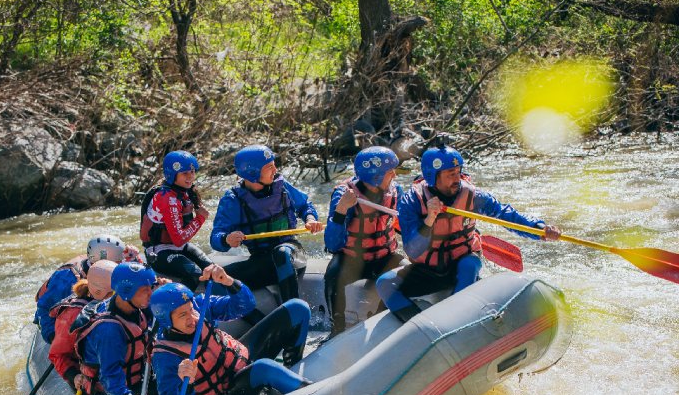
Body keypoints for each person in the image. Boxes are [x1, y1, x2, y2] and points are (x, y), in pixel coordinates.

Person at [376, 143, 561, 322]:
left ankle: (458, 318)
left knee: (469, 265)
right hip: (428, 270)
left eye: (458, 172)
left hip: (462, 262)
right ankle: (416, 326)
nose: (457, 179)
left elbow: (505, 214)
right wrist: (430, 219)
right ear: (433, 176)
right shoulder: (412, 201)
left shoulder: (472, 195)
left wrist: (539, 229)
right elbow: (413, 250)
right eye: (450, 174)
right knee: (384, 283)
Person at [150, 264, 312, 395]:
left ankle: (291, 372)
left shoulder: (201, 305)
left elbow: (245, 306)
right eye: (183, 315)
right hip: (224, 392)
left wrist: (229, 282)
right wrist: (187, 383)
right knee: (264, 368)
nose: (192, 317)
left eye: (191, 309)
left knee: (297, 308)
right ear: (166, 320)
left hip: (238, 361)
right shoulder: (164, 357)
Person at [209, 144, 324, 306]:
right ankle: (256, 322)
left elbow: (305, 205)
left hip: (292, 253)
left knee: (281, 253)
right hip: (262, 260)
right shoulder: (233, 200)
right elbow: (215, 237)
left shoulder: (282, 187)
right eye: (269, 167)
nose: (275, 170)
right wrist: (226, 239)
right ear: (253, 173)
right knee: (218, 279)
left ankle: (294, 312)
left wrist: (310, 219)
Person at [323, 146, 405, 335]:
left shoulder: (395, 191)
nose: (395, 176)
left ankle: (380, 321)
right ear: (375, 177)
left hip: (385, 257)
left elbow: (407, 224)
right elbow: (332, 244)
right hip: (351, 259)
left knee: (407, 271)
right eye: (390, 172)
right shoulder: (344, 195)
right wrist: (341, 209)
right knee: (332, 277)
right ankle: (337, 329)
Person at [70, 262, 158, 395]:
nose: (151, 293)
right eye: (145, 290)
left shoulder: (132, 305)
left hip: (138, 372)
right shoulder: (109, 330)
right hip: (114, 392)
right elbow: (109, 375)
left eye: (151, 287)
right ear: (126, 292)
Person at [34, 234, 143, 343]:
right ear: (101, 263)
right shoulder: (66, 279)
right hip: (51, 321)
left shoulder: (106, 267)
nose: (118, 268)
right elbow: (44, 308)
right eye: (117, 264)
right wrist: (53, 337)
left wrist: (135, 261)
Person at [139, 150, 213, 291]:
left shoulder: (184, 191)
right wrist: (200, 219)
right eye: (185, 173)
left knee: (213, 269)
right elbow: (179, 238)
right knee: (195, 274)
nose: (191, 176)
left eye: (192, 172)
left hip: (179, 247)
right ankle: (178, 306)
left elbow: (180, 242)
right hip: (159, 252)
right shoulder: (167, 197)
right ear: (172, 175)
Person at [48, 259, 117, 390]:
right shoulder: (73, 314)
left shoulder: (124, 303)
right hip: (88, 373)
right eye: (114, 293)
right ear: (99, 292)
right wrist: (73, 376)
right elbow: (58, 354)